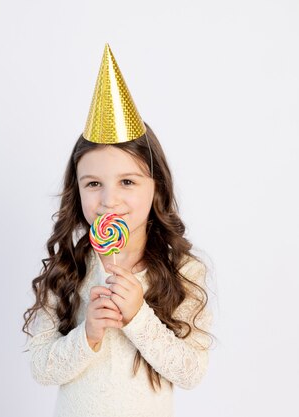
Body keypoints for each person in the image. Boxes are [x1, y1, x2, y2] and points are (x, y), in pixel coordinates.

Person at [22, 44, 214, 417]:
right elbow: (41, 368)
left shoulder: (183, 271)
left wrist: (139, 316)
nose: (109, 200)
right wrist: (88, 334)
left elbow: (191, 373)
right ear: (77, 191)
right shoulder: (68, 270)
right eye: (93, 184)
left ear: (155, 186)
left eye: (127, 181)